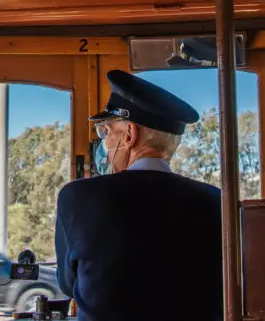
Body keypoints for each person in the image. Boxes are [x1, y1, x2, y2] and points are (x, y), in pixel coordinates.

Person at [54, 70, 223, 321]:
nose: (105, 144)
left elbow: (69, 285)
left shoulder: (78, 197)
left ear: (130, 135)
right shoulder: (216, 201)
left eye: (106, 132)